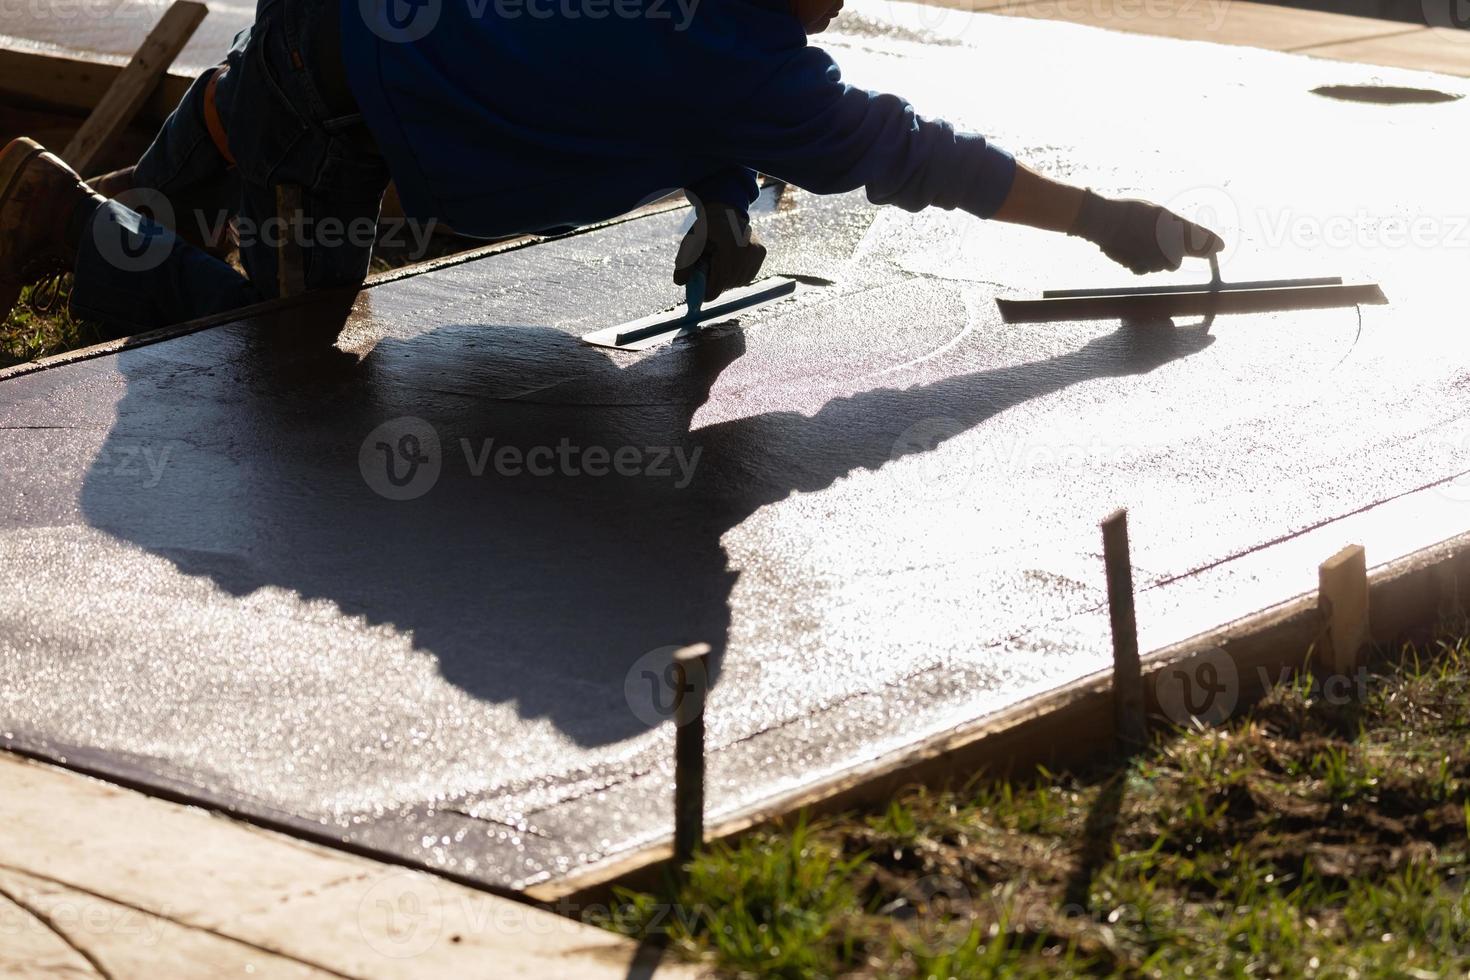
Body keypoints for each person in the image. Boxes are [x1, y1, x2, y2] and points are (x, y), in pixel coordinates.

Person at [0, 0, 1222, 335]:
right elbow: (915, 155)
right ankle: (73, 228)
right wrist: (1101, 217)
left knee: (254, 109)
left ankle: (184, 168)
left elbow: (659, 84)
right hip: (340, 105)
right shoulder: (760, 74)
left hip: (326, 43)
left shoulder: (730, 55)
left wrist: (724, 199)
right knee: (287, 359)